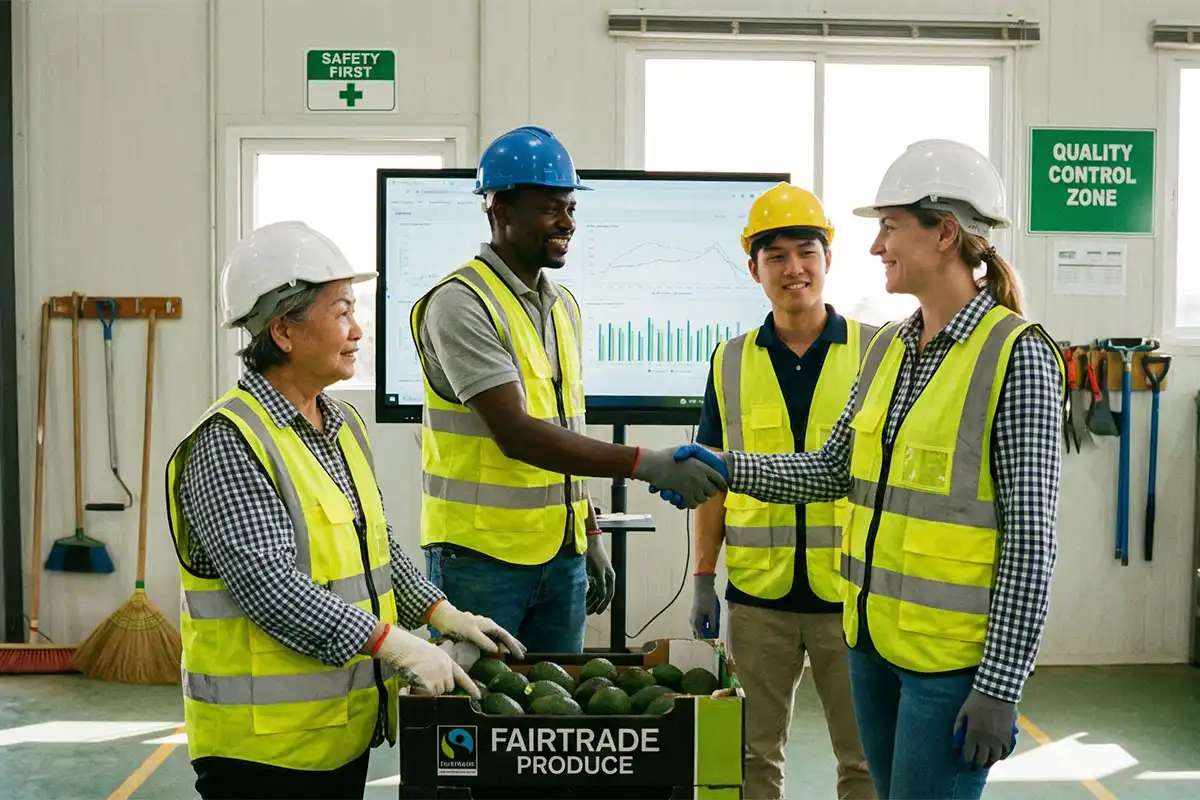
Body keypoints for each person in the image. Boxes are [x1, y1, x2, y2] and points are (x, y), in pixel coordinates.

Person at [662, 140, 1064, 799]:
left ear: (944, 233)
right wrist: (718, 464)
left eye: (889, 227)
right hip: (873, 647)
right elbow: (827, 472)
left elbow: (1031, 542)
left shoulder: (1015, 358)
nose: (876, 246)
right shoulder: (893, 349)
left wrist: (1001, 685)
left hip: (947, 666)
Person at [165, 220, 526, 800]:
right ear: (283, 330)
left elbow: (373, 549)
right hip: (263, 756)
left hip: (340, 735)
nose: (358, 330)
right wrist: (395, 643)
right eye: (340, 312)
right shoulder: (228, 442)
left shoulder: (340, 426)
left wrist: (438, 612)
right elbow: (271, 588)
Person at [410, 125, 727, 654]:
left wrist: (590, 533)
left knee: (558, 721)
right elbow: (517, 433)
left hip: (563, 556)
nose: (567, 223)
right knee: (479, 717)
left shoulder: (563, 307)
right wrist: (644, 461)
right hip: (481, 561)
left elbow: (564, 430)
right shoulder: (460, 303)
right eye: (551, 209)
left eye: (571, 209)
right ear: (500, 211)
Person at [690, 183, 875, 800]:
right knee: (754, 759)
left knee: (865, 759)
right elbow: (713, 479)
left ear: (828, 259)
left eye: (806, 251)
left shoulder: (880, 353)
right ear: (754, 268)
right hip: (757, 599)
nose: (793, 268)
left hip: (852, 598)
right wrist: (702, 577)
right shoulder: (729, 361)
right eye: (776, 256)